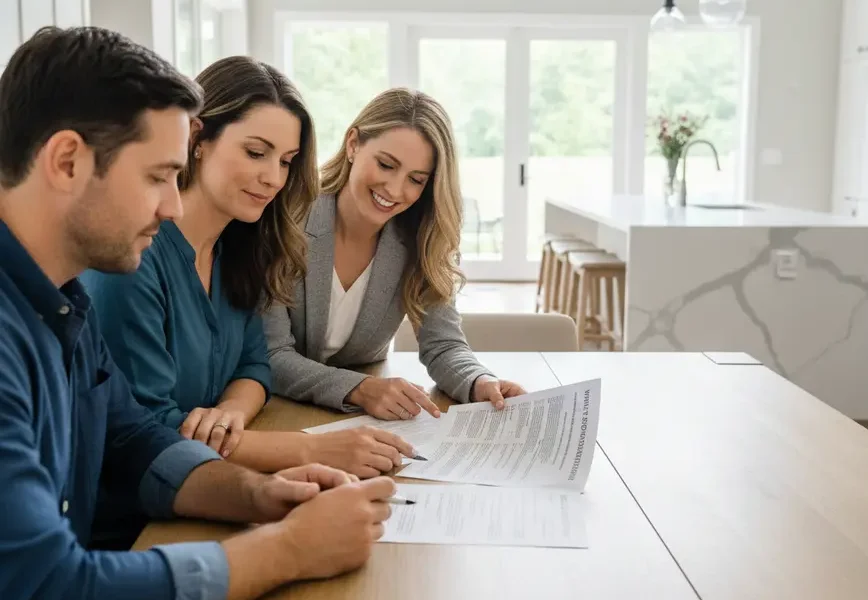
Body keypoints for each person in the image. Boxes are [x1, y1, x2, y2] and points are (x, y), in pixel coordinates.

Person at [0, 26, 394, 600]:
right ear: (66, 162)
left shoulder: (61, 301)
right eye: (158, 176)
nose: (173, 203)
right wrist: (286, 549)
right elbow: (45, 582)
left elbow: (130, 436)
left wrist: (259, 495)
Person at [81, 56, 417, 480]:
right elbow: (147, 431)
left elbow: (255, 365)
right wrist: (311, 449)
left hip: (207, 479)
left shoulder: (238, 250)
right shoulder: (133, 260)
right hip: (136, 514)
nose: (273, 178)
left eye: (285, 161)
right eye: (256, 153)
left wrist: (229, 414)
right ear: (198, 139)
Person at [263, 88, 527, 419]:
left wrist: (479, 381)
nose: (395, 190)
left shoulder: (420, 240)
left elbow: (443, 344)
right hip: (276, 409)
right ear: (353, 144)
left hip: (360, 418)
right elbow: (272, 353)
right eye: (386, 165)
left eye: (416, 180)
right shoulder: (285, 220)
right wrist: (359, 388)